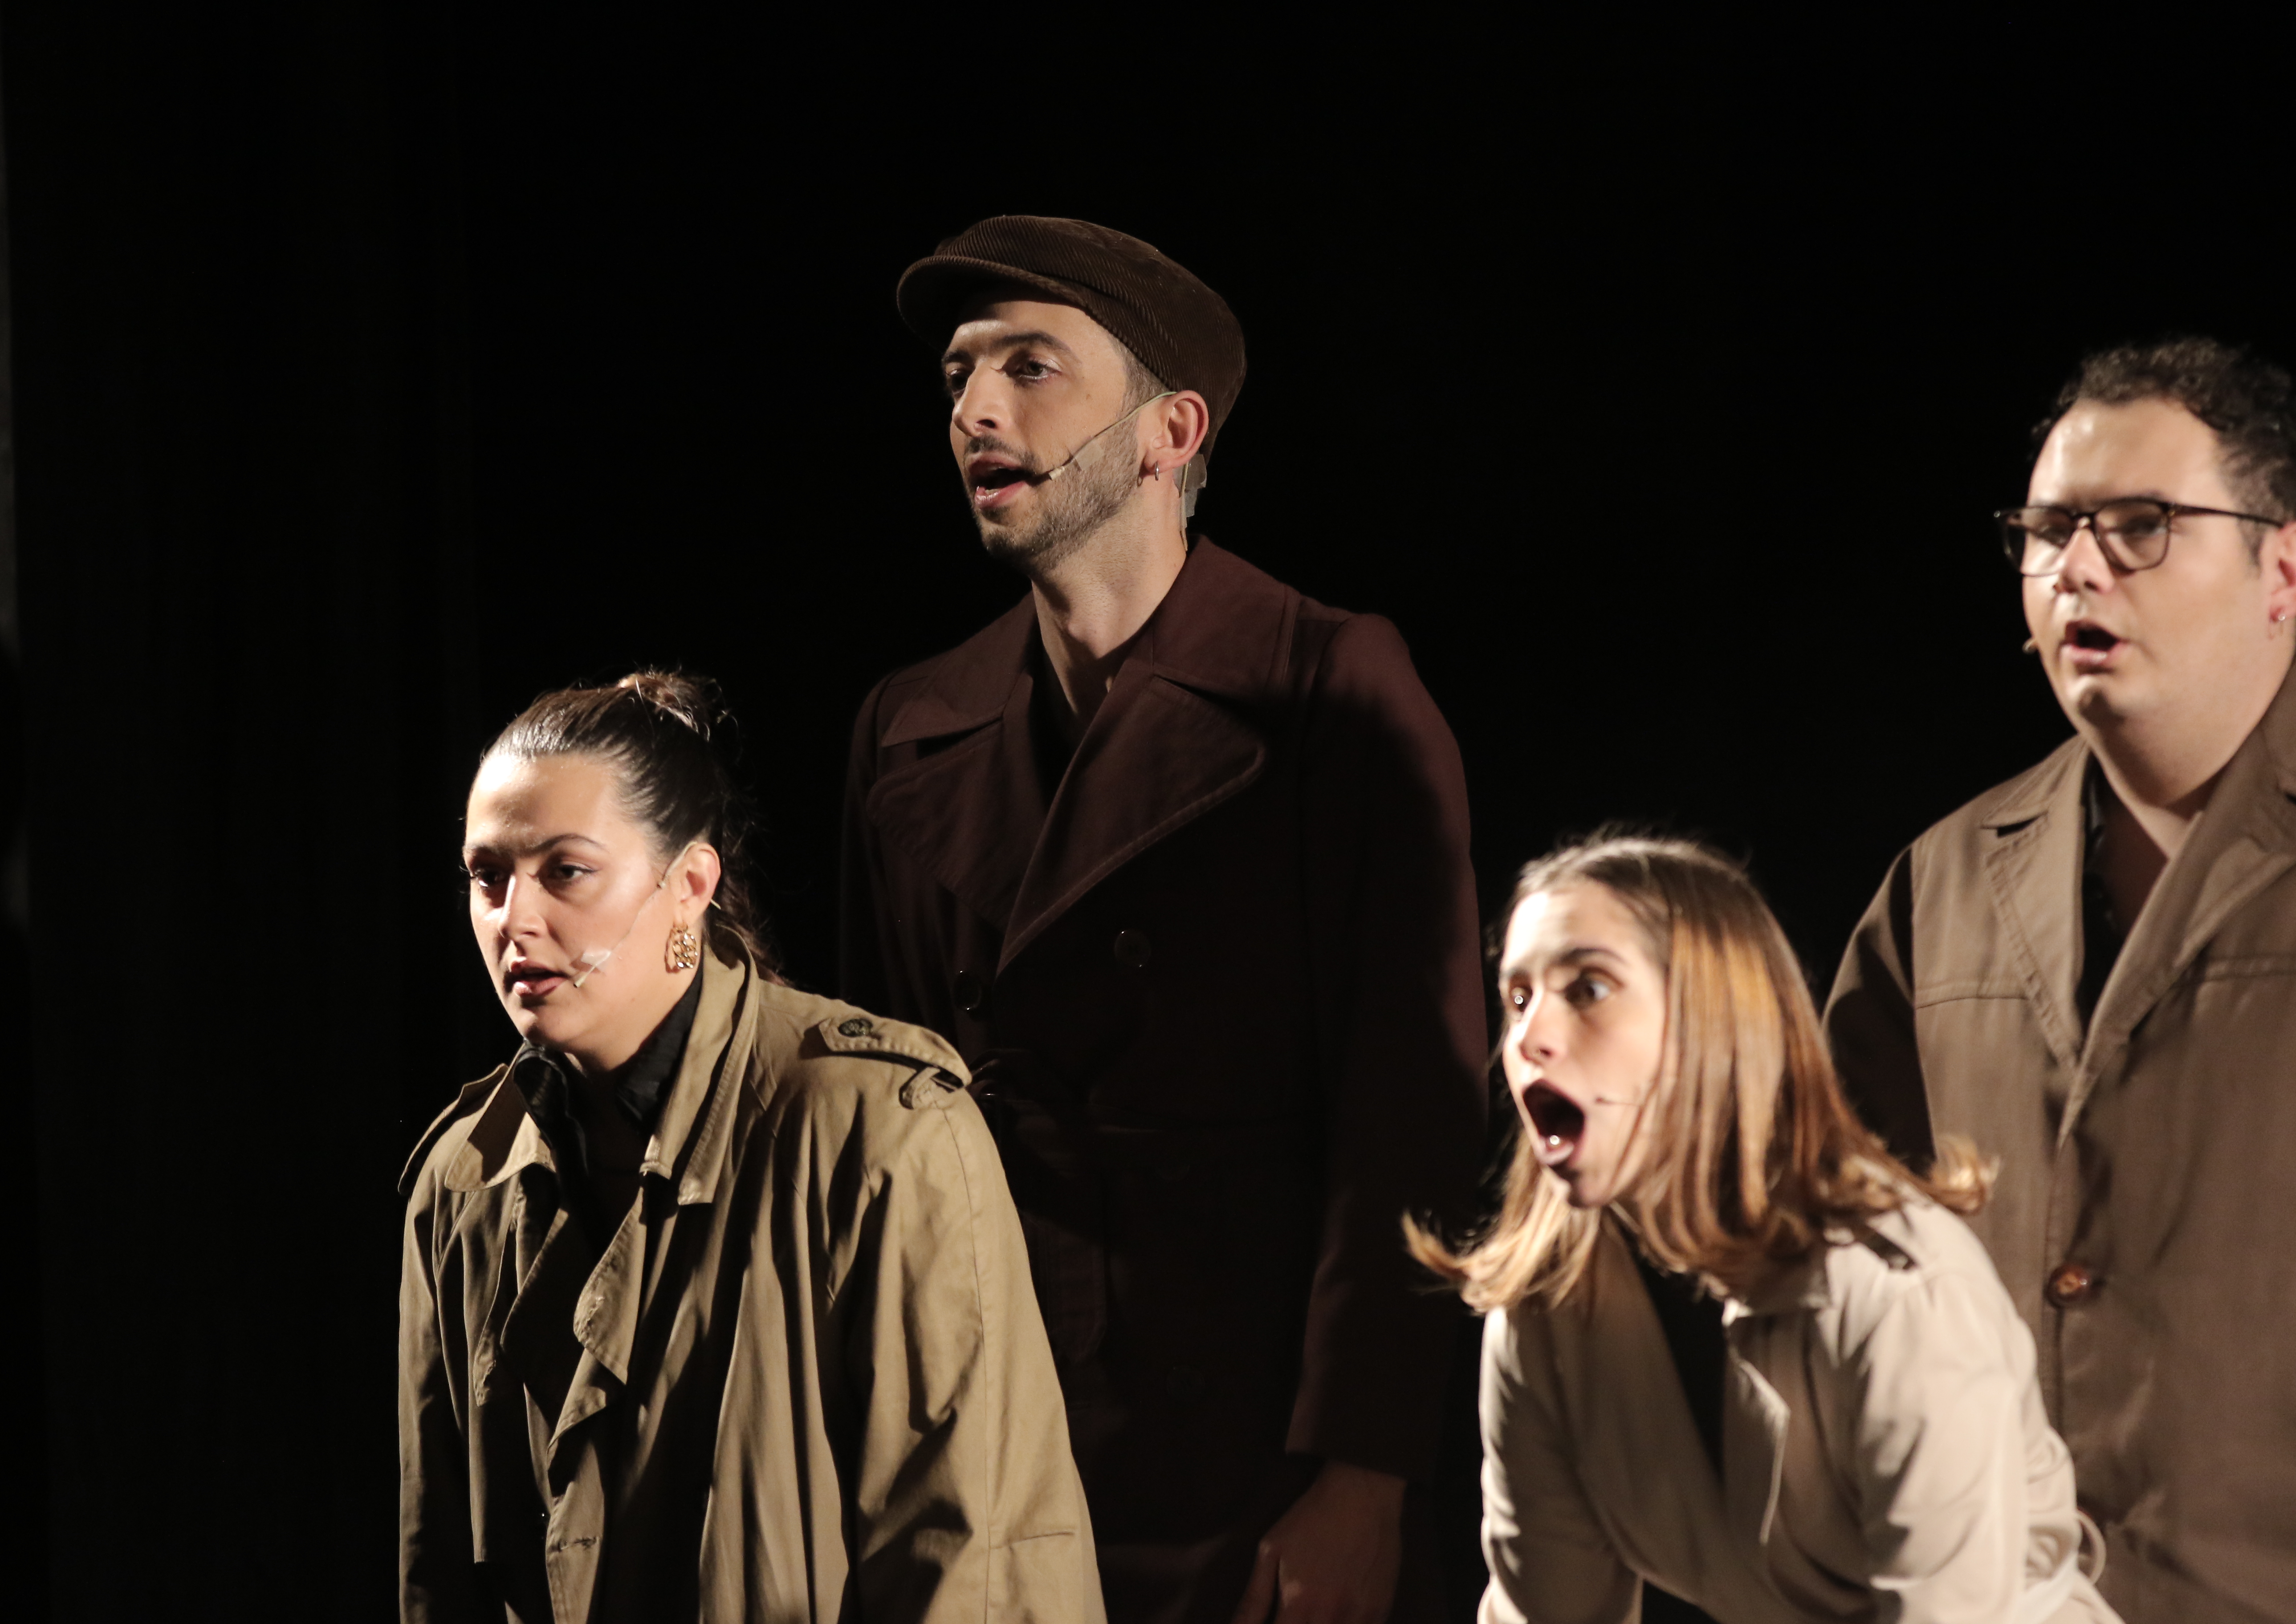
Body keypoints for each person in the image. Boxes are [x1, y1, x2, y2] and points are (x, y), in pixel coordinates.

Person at [839, 216, 1488, 1624]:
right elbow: (880, 1130)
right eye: (957, 375)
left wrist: (1365, 1480)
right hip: (999, 1445)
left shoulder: (1331, 691)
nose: (974, 410)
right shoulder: (909, 728)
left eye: (1030, 367)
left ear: (1168, 432)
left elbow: (1418, 1110)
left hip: (1257, 1476)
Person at [1824, 337, 2296, 1620]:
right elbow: (1845, 1272)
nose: (2075, 567)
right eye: (2047, 530)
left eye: (2141, 525)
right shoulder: (1944, 881)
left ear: (2285, 570)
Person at [399, 671, 1101, 1623]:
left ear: (689, 886)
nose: (514, 920)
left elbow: (981, 1567)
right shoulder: (461, 1183)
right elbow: (440, 1576)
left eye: (565, 871)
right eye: (488, 876)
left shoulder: (881, 1132)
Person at [1414, 833, 2118, 1623]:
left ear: (1711, 1020)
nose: (1528, 1038)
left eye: (1589, 989)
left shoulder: (1895, 1293)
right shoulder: (1550, 1308)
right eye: (1517, 998)